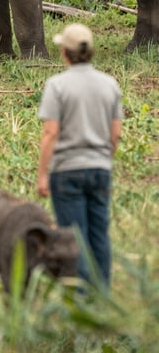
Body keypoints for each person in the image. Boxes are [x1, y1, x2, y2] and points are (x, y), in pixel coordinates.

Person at [36, 23, 123, 290]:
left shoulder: (57, 85)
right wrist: (102, 159)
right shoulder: (110, 84)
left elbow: (50, 132)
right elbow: (115, 135)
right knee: (99, 234)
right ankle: (102, 295)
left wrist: (42, 174)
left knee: (74, 237)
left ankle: (82, 297)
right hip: (100, 168)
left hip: (67, 171)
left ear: (64, 52)